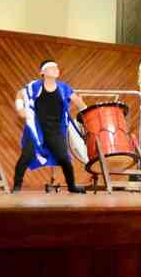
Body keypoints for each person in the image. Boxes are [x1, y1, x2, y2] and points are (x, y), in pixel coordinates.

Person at [12, 60, 87, 193]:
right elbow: (19, 93)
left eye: (57, 68)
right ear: (43, 72)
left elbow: (78, 101)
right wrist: (20, 109)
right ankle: (17, 186)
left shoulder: (64, 88)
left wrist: (86, 114)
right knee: (26, 155)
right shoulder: (35, 86)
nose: (56, 69)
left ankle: (71, 186)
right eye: (52, 68)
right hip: (36, 129)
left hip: (55, 131)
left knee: (64, 158)